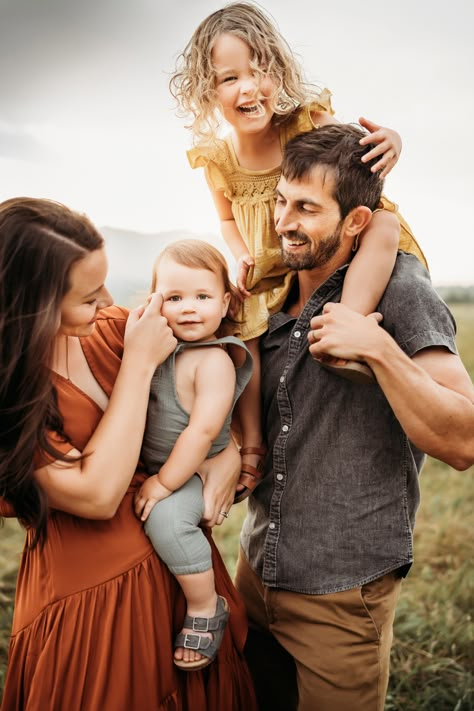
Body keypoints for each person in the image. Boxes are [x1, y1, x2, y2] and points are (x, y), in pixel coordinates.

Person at [233, 123, 474, 711]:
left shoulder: (400, 290)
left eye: (307, 209)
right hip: (255, 571)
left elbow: (464, 439)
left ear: (356, 222)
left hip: (342, 595)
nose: (284, 221)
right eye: (282, 202)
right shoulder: (273, 289)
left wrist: (377, 348)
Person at [0, 198, 257, 711]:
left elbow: (216, 361)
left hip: (177, 571)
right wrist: (138, 364)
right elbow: (96, 494)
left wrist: (236, 453)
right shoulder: (11, 393)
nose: (111, 301)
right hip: (91, 597)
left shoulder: (114, 325)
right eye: (90, 296)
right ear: (34, 303)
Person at [169, 1, 428, 501]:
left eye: (260, 69)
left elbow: (361, 148)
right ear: (207, 92)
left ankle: (343, 333)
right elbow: (225, 218)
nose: (248, 87)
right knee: (239, 318)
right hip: (275, 262)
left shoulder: (303, 120)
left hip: (338, 240)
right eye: (229, 78)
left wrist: (393, 139)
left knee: (386, 224)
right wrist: (242, 253)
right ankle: (252, 445)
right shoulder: (218, 159)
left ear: (278, 70)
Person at [133, 239, 253, 671]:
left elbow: (202, 432)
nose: (188, 308)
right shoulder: (160, 347)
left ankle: (204, 605)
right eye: (174, 297)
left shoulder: (213, 361)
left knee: (167, 520)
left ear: (224, 303)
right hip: (158, 463)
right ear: (154, 301)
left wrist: (164, 483)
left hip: (193, 471)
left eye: (202, 297)